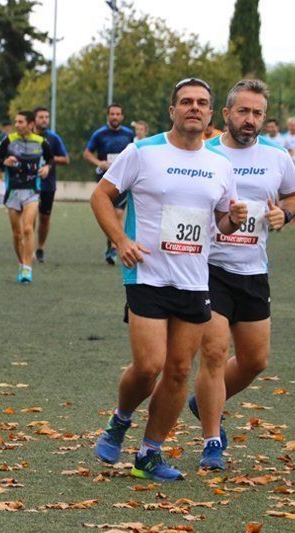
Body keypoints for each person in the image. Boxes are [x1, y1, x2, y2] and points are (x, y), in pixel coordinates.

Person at [90, 77, 246, 481]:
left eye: (202, 103)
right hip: (147, 272)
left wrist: (233, 220)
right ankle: (120, 420)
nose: (194, 108)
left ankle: (148, 454)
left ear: (212, 114)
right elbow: (101, 196)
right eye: (186, 102)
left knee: (178, 371)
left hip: (194, 280)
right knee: (149, 365)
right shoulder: (142, 152)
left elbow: (220, 223)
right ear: (172, 110)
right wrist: (121, 239)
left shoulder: (220, 165)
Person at [191, 79, 295, 470]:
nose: (250, 120)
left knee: (255, 361)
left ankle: (205, 400)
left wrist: (284, 214)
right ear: (225, 114)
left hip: (254, 270)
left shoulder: (277, 156)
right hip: (208, 267)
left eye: (257, 113)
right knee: (216, 353)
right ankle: (211, 441)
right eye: (243, 111)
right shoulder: (203, 153)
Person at [0, 110, 53, 283]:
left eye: (20, 122)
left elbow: (50, 159)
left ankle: (27, 268)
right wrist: (5, 162)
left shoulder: (41, 142)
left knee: (27, 228)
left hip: (32, 190)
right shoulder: (9, 140)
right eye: (16, 122)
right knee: (17, 233)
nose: (16, 125)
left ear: (30, 124)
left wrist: (47, 167)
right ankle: (21, 263)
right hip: (12, 192)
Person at [83, 104, 135, 264]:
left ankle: (113, 248)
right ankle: (111, 244)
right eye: (112, 114)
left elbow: (135, 152)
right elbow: (86, 153)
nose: (115, 117)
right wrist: (99, 163)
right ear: (108, 116)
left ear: (122, 116)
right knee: (108, 213)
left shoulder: (128, 134)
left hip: (123, 180)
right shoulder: (99, 134)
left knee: (118, 213)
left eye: (118, 114)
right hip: (105, 180)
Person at [33, 106, 69, 263]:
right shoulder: (27, 137)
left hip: (48, 184)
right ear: (33, 119)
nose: (44, 120)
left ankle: (40, 247)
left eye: (47, 117)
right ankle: (28, 248)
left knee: (44, 218)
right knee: (29, 216)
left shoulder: (53, 138)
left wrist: (48, 161)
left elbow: (66, 159)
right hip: (29, 184)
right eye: (41, 117)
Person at [0, 119, 12, 204]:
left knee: (8, 176)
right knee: (3, 177)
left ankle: (6, 194)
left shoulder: (11, 135)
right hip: (4, 159)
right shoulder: (2, 136)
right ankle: (2, 195)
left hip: (10, 158)